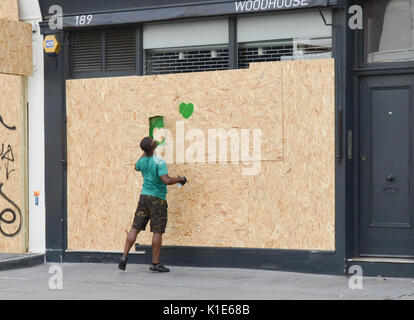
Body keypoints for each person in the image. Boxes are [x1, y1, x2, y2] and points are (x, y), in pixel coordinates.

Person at [119, 137, 187, 272]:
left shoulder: (142, 161)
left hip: (144, 197)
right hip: (157, 200)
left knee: (135, 228)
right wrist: (180, 179)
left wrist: (145, 152)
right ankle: (155, 263)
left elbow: (136, 166)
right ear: (154, 147)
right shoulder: (159, 162)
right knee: (157, 231)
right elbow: (166, 180)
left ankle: (124, 257)